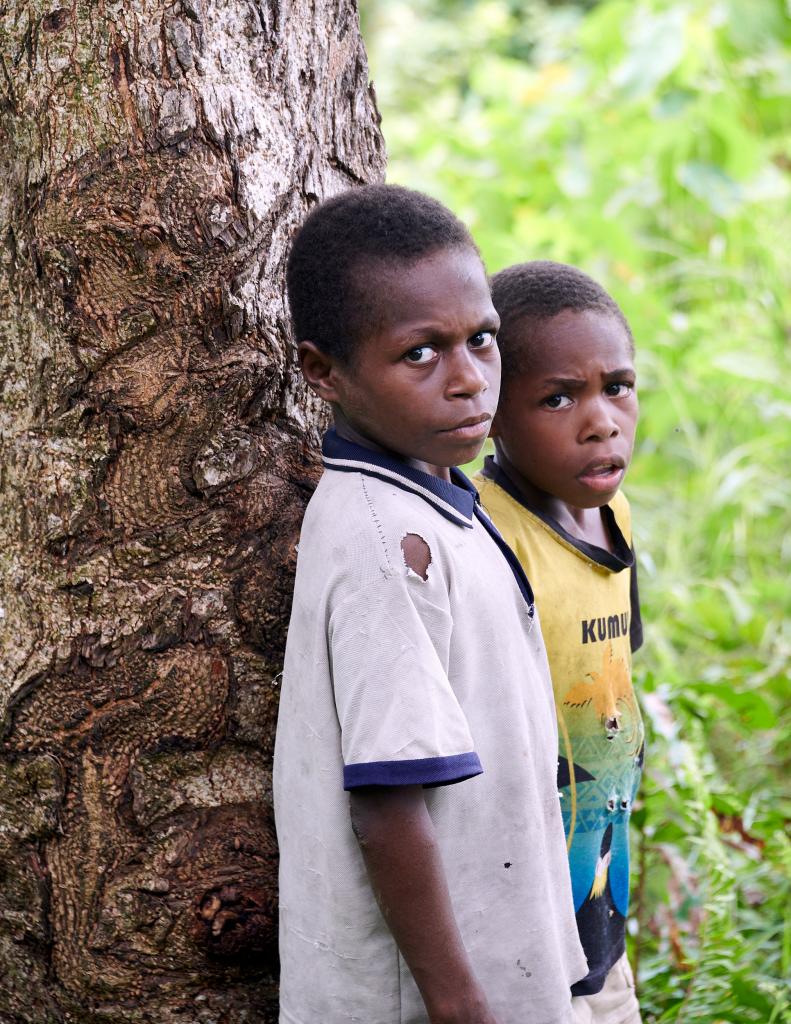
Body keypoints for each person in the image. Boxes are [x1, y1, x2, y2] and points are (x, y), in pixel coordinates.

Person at [273, 188, 587, 1024]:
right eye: (420, 355)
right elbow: (386, 805)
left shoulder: (440, 499)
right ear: (322, 371)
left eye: (481, 341)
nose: (469, 381)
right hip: (432, 997)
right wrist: (457, 1002)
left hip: (497, 964)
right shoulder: (382, 542)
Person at [475, 261, 644, 1024]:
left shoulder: (616, 518)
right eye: (557, 397)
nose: (600, 420)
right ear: (492, 413)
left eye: (616, 386)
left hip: (601, 917)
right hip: (520, 940)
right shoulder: (483, 533)